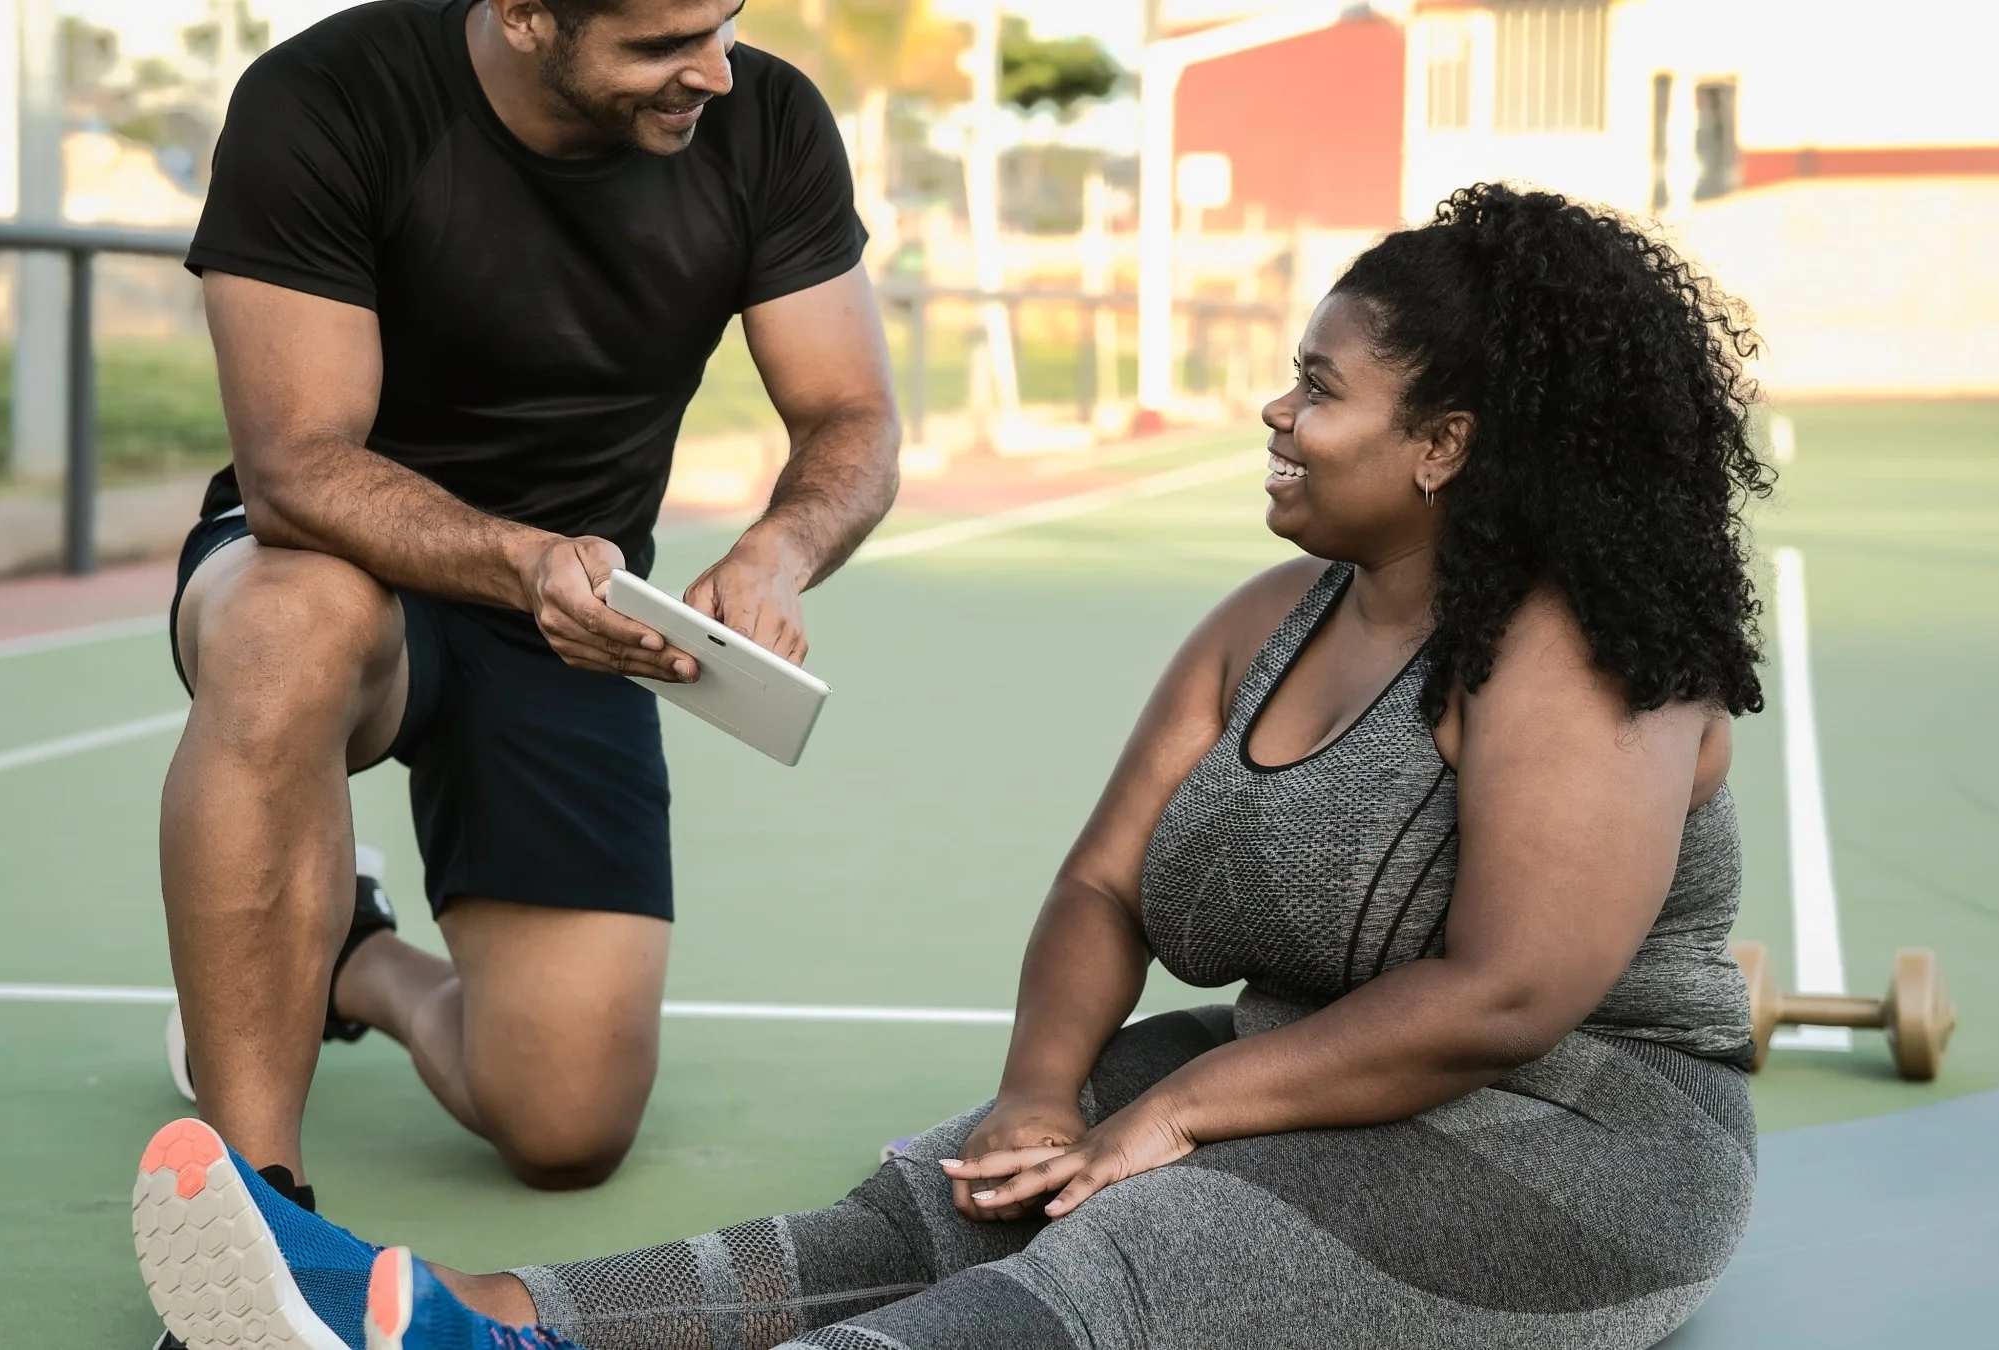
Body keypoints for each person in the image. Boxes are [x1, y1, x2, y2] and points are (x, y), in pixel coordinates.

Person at [135, 184, 1773, 1350]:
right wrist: (1049, 1092)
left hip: (1575, 1145)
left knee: (1126, 1256)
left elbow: (1505, 993)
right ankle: (450, 1320)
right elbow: (1102, 881)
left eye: (1320, 390)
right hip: (1312, 1071)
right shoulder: (1274, 618)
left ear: (1447, 445)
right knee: (939, 1201)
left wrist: (1180, 1108)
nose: (1275, 413)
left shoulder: (1578, 650)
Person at [158, 0, 898, 1245]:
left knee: (564, 1128)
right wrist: (522, 559)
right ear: (525, 15)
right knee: (291, 628)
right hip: (336, 565)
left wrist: (781, 547)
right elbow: (294, 465)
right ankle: (247, 1212)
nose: (714, 71)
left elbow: (851, 417)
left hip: (582, 609)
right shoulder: (327, 97)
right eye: (665, 46)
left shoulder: (766, 120)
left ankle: (351, 959)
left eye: (725, 23)